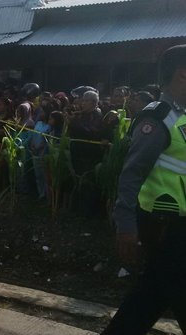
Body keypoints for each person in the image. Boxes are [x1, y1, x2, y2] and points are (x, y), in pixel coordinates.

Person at [102, 44, 186, 334]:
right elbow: (131, 175)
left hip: (178, 232)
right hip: (165, 230)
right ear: (182, 75)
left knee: (148, 299)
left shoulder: (181, 117)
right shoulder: (158, 118)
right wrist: (125, 226)